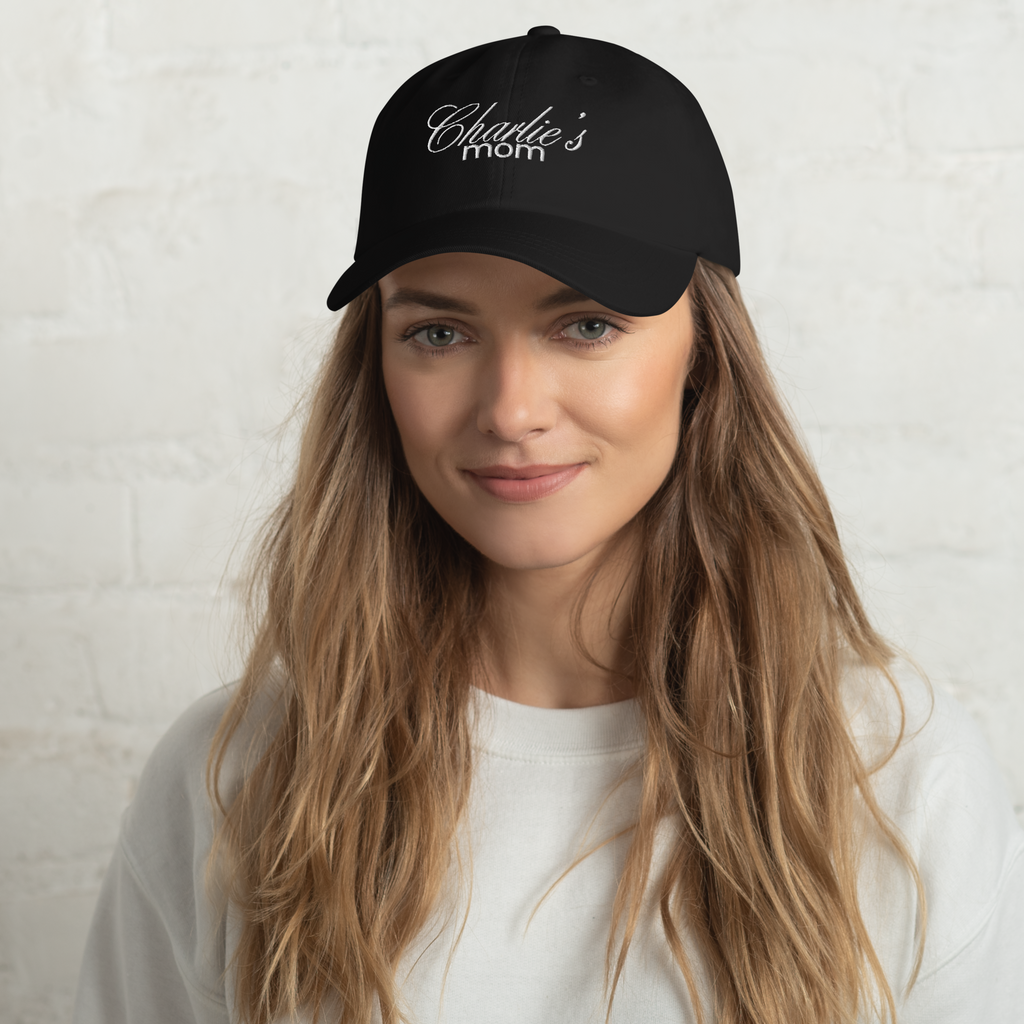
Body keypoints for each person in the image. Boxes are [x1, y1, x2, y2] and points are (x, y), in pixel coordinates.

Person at [73, 26, 1024, 1024]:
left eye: (585, 326)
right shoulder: (238, 777)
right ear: (377, 371)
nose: (510, 408)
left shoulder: (895, 777)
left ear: (705, 354)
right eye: (439, 332)